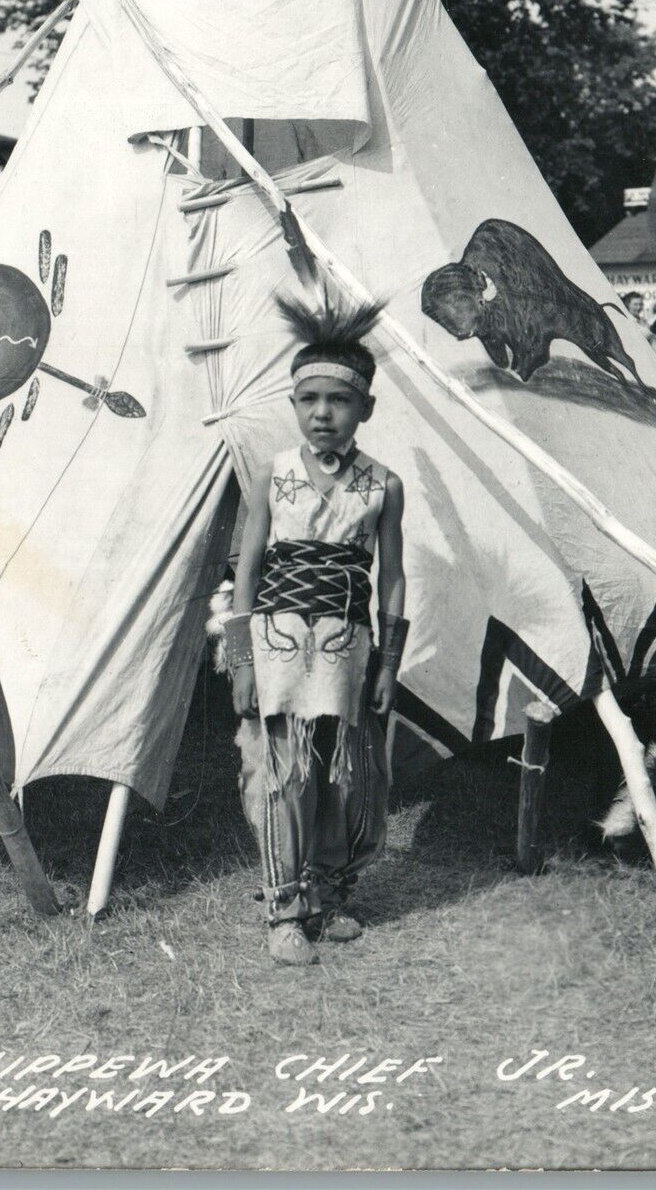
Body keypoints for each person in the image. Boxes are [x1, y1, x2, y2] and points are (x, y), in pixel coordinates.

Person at [221, 289, 406, 968]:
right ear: (293, 405)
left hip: (347, 645)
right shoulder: (272, 476)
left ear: (365, 407)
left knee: (342, 775)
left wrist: (388, 662)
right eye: (309, 400)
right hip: (276, 643)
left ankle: (329, 891)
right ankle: (284, 907)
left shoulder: (382, 484)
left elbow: (390, 575)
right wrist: (240, 655)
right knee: (284, 775)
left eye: (338, 399)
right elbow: (247, 569)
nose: (322, 413)